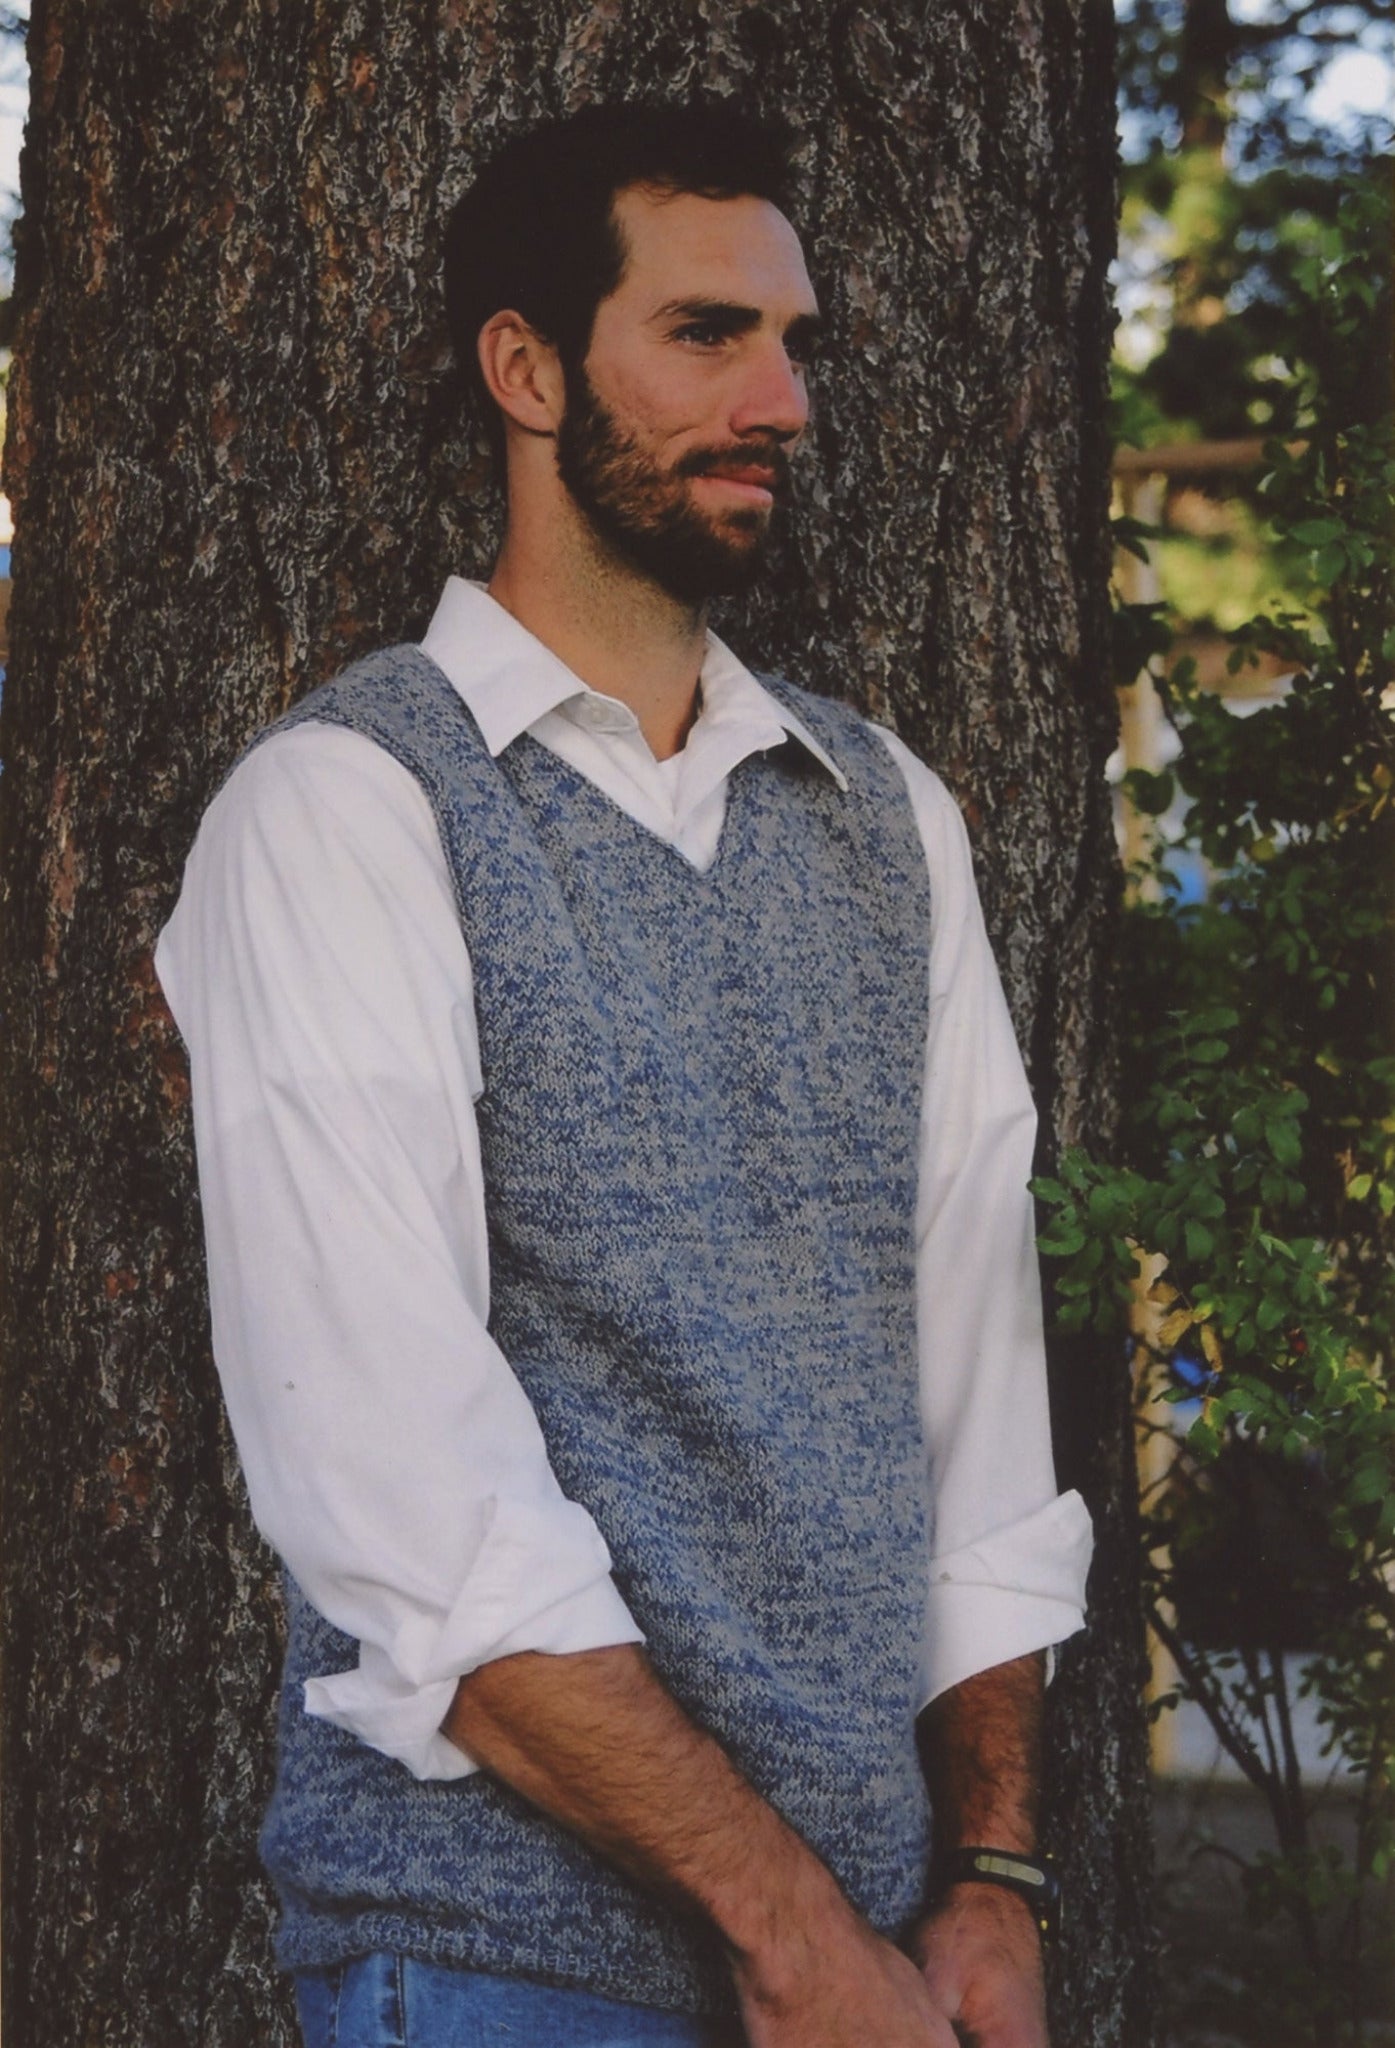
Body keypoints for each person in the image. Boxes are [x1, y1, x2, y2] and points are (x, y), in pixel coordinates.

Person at [156, 101, 1093, 2048]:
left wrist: (985, 1883)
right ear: (523, 367)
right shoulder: (344, 811)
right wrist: (787, 1937)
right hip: (494, 1959)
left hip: (884, 1971)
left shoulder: (889, 822)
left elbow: (978, 1424)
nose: (782, 397)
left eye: (794, 341)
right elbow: (402, 1498)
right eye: (703, 335)